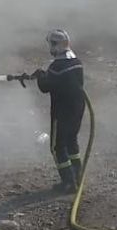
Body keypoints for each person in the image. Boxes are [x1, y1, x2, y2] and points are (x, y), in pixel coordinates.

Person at [34, 29, 86, 193]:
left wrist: (40, 76)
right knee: (71, 141)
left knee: (57, 147)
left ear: (55, 45)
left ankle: (68, 183)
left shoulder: (56, 67)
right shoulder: (77, 62)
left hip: (62, 112)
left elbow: (45, 87)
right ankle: (77, 178)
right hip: (78, 108)